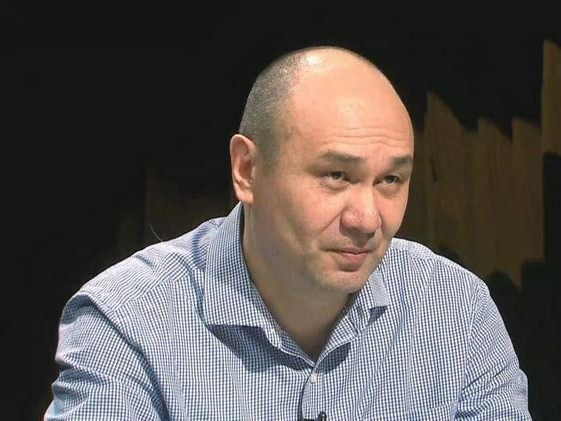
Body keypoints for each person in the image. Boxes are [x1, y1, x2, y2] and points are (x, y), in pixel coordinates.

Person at [45, 46, 531, 420]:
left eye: (390, 180)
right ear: (247, 170)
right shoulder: (128, 320)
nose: (367, 219)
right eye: (336, 176)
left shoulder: (456, 310)